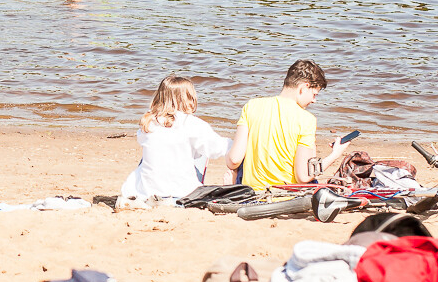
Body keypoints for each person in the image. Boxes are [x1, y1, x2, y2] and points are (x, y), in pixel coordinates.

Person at [225, 59, 350, 189]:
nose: (314, 101)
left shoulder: (252, 106)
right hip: (284, 197)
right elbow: (304, 176)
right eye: (314, 94)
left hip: (251, 194)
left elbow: (234, 160)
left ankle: (232, 185)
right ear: (304, 87)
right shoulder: (307, 119)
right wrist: (335, 154)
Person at [116, 75, 230, 208]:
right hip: (183, 193)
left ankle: (146, 195)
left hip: (147, 192)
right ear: (190, 99)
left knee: (153, 151)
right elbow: (217, 149)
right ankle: (176, 194)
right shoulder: (192, 124)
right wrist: (237, 142)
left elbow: (142, 140)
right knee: (202, 150)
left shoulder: (149, 122)